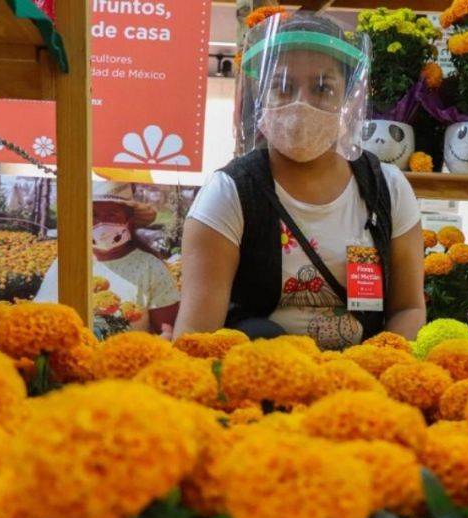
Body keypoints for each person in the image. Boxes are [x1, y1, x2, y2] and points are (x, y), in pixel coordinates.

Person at [173, 12, 425, 350]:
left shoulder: (388, 190)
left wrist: (378, 366)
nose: (300, 103)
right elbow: (196, 339)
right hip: (261, 382)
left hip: (360, 386)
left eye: (323, 88)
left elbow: (408, 307)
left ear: (348, 97)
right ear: (261, 94)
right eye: (282, 86)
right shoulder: (228, 195)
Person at [34, 181, 180, 335]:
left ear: (129, 222)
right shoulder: (67, 263)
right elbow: (41, 317)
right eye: (93, 215)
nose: (101, 223)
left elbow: (167, 332)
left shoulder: (151, 268)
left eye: (111, 215)